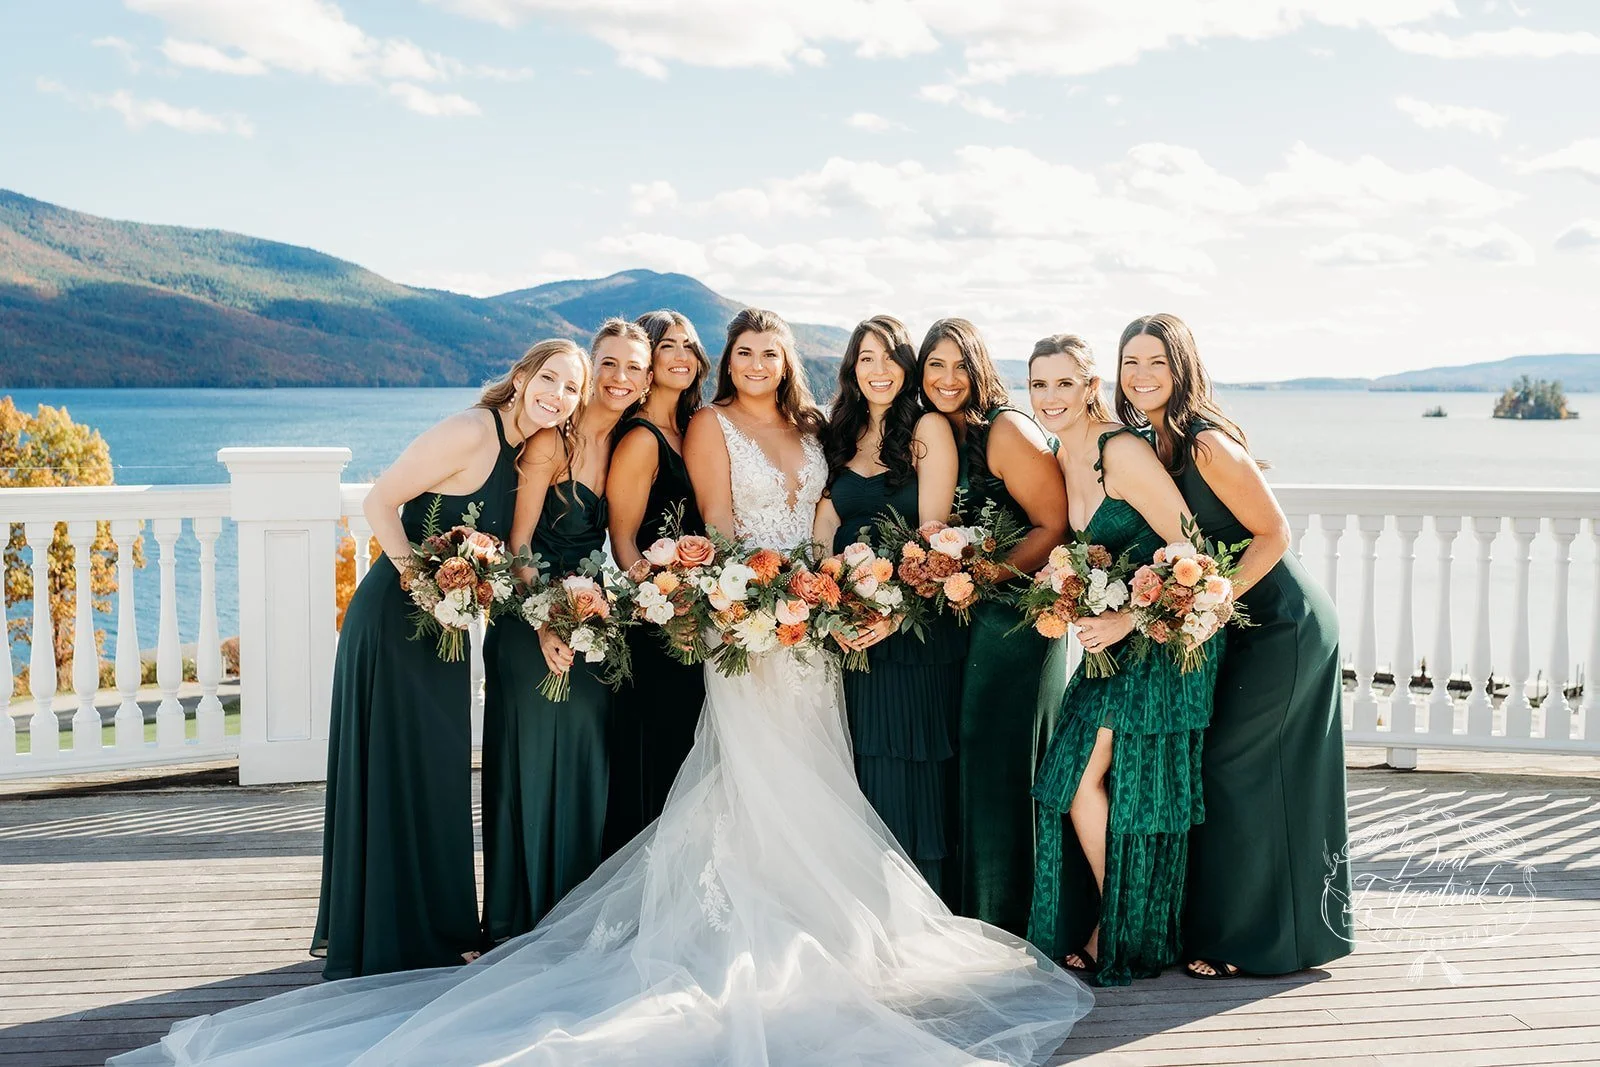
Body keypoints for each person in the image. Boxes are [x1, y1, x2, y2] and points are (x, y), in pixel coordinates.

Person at [112, 309, 1093, 1067]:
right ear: (726, 361)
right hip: (751, 617)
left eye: (770, 351)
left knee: (824, 767)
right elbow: (709, 520)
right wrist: (741, 595)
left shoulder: (812, 426)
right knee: (747, 774)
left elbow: (837, 518)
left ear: (792, 364)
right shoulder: (699, 426)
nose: (755, 363)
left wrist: (830, 592)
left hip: (819, 625)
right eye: (742, 350)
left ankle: (830, 908)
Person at [312, 337, 586, 980]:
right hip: (395, 615)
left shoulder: (528, 454)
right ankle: (387, 932)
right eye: (549, 378)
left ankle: (429, 926)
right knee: (394, 764)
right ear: (521, 376)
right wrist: (420, 582)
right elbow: (380, 501)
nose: (557, 395)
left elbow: (514, 555)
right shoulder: (472, 430)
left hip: (448, 625)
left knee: (432, 769)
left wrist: (548, 619)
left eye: (571, 389)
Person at [1116, 312, 1351, 979]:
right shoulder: (1151, 445)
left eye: (1156, 362)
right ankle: (1290, 933)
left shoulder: (1206, 443)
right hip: (1241, 626)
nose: (1141, 375)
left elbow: (1275, 533)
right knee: (1247, 770)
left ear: (1182, 368)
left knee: (1233, 766)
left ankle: (1243, 940)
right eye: (1130, 362)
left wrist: (1215, 601)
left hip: (1285, 622)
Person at [1023, 334, 1218, 986]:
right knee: (1072, 780)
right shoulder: (1062, 453)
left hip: (1162, 635)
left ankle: (1121, 927)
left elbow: (1192, 551)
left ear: (1088, 386)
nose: (1049, 398)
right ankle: (1127, 920)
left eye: (1062, 383)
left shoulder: (1120, 450)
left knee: (1090, 782)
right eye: (1037, 384)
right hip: (1112, 642)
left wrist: (1127, 616)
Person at [480, 319, 648, 945]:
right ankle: (521, 919)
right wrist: (547, 620)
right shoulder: (552, 442)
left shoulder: (626, 442)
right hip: (532, 620)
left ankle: (573, 919)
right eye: (609, 364)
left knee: (587, 761)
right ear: (590, 370)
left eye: (635, 367)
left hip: (590, 620)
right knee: (535, 762)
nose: (621, 379)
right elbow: (518, 543)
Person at [919, 317, 1069, 934]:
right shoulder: (938, 432)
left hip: (1017, 622)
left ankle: (1012, 919)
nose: (947, 379)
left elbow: (1052, 525)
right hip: (976, 620)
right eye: (935, 365)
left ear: (980, 368)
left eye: (960, 365)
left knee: (1001, 765)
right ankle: (973, 912)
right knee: (975, 764)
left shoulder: (1005, 429)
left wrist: (982, 579)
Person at [814, 314, 963, 890]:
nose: (878, 370)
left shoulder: (928, 428)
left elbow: (933, 533)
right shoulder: (841, 433)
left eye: (889, 357)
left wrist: (896, 609)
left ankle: (916, 904)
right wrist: (821, 601)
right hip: (848, 624)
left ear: (906, 365)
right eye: (866, 357)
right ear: (852, 366)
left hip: (912, 628)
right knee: (860, 761)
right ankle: (864, 905)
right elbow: (823, 526)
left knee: (909, 761)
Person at [601, 310, 710, 853]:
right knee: (661, 758)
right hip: (655, 626)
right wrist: (665, 606)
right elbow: (623, 541)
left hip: (692, 616)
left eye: (690, 346)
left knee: (689, 756)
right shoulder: (642, 438)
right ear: (647, 363)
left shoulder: (691, 428)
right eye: (669, 346)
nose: (682, 356)